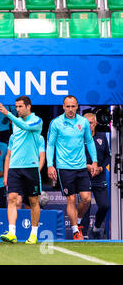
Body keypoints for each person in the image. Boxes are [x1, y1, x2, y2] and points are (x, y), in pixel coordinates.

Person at [46, 95, 98, 240]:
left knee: (86, 199)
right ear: (63, 107)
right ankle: (76, 231)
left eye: (73, 106)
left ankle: (78, 220)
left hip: (81, 166)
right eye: (67, 106)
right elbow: (50, 145)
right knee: (71, 199)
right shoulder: (56, 123)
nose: (70, 109)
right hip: (64, 167)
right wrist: (50, 165)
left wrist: (94, 162)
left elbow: (89, 141)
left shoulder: (83, 122)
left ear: (77, 106)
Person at [0, 96, 43, 245]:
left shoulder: (37, 121)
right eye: (16, 107)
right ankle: (11, 232)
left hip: (31, 167)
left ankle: (34, 234)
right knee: (11, 199)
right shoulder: (15, 126)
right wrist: (7, 170)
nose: (17, 109)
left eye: (20, 106)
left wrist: (8, 114)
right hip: (15, 168)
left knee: (33, 201)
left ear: (28, 106)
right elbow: (11, 149)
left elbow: (26, 127)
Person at [80, 113, 111, 239]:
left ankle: (96, 227)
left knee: (104, 205)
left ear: (95, 124)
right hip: (84, 174)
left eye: (91, 123)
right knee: (85, 203)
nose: (89, 125)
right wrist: (87, 166)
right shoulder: (78, 138)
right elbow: (75, 157)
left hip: (99, 175)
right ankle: (84, 233)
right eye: (86, 123)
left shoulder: (102, 137)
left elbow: (107, 156)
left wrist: (101, 167)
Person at [4, 134, 46, 209]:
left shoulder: (39, 137)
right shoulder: (13, 137)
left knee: (31, 203)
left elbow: (42, 156)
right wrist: (5, 176)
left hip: (31, 174)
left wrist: (35, 172)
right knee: (17, 201)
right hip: (17, 173)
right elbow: (8, 156)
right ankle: (15, 221)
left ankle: (30, 221)